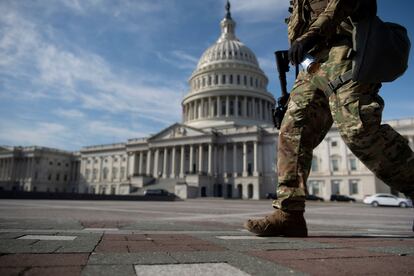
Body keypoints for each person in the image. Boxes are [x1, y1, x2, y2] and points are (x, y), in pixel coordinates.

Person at [244, 0, 414, 236]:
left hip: (345, 50)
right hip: (311, 63)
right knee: (292, 130)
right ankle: (289, 213)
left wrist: (310, 36)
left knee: (359, 129)